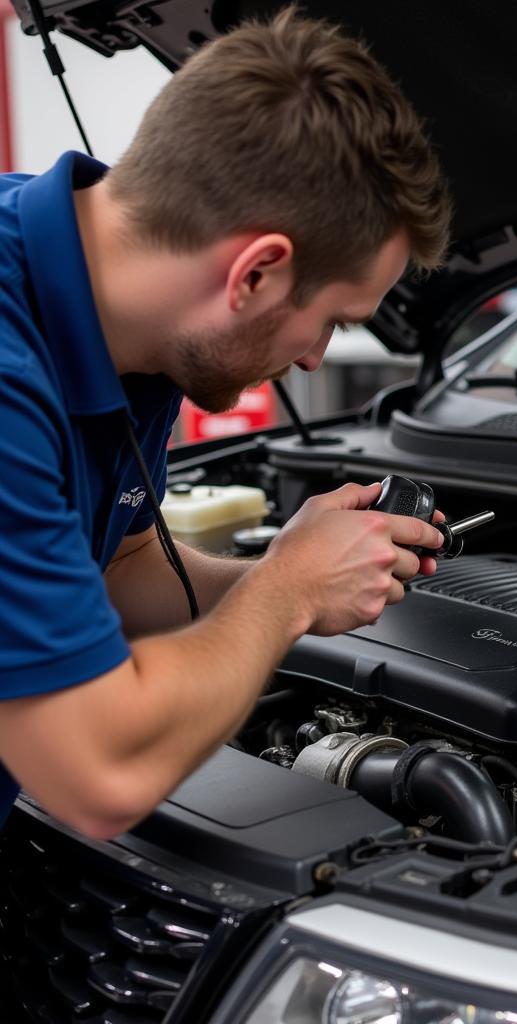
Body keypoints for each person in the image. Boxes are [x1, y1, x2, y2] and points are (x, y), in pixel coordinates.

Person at [0, 9, 452, 841]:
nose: (316, 359)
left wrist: (286, 569)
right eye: (332, 321)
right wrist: (284, 598)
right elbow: (97, 774)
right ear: (256, 272)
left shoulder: (141, 332)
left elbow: (117, 569)